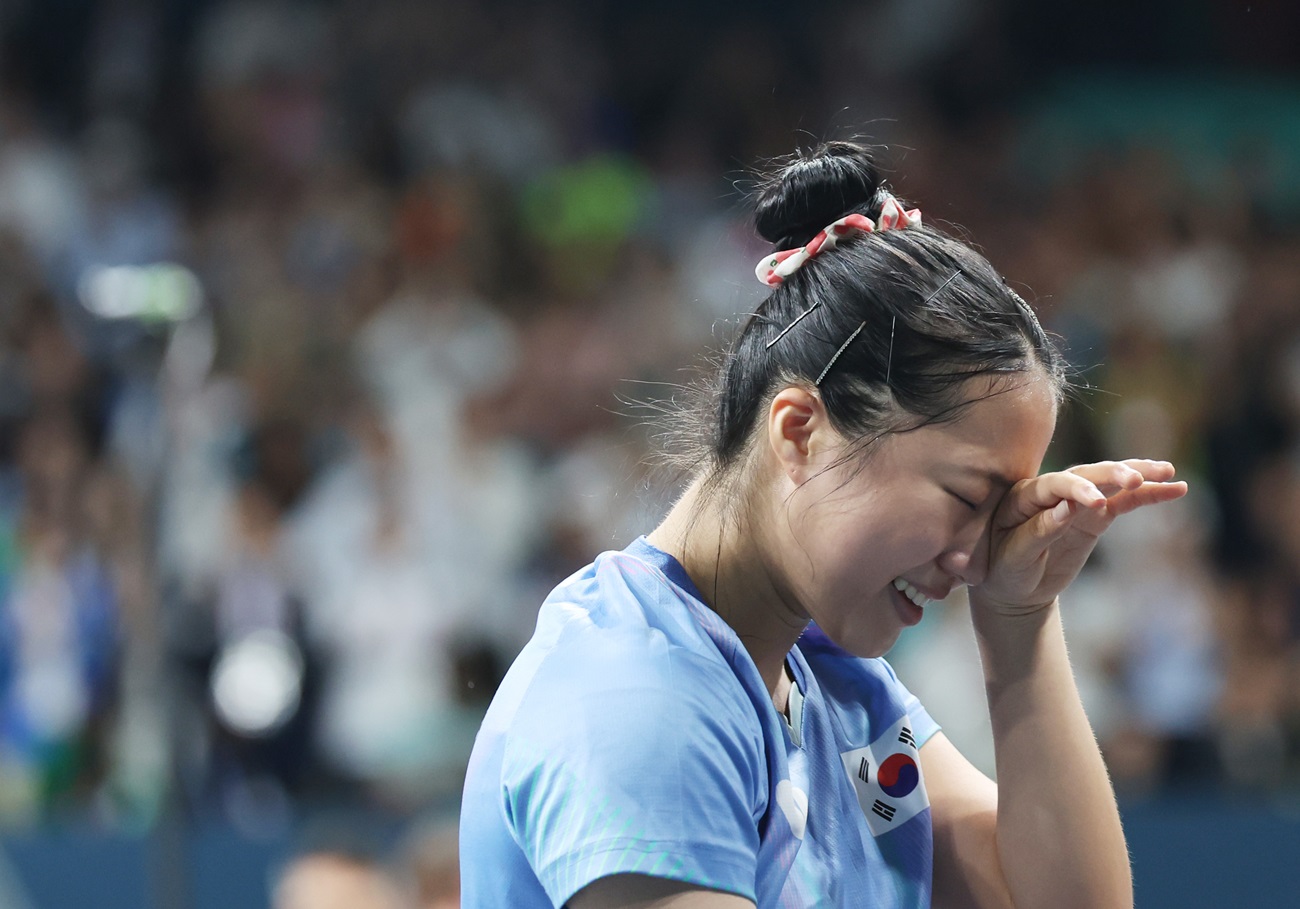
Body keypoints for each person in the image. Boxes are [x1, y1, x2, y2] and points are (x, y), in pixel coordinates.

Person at [459, 140, 1187, 908]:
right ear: (801, 430)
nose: (978, 557)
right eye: (970, 498)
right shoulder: (635, 700)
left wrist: (1020, 618)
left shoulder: (837, 694)